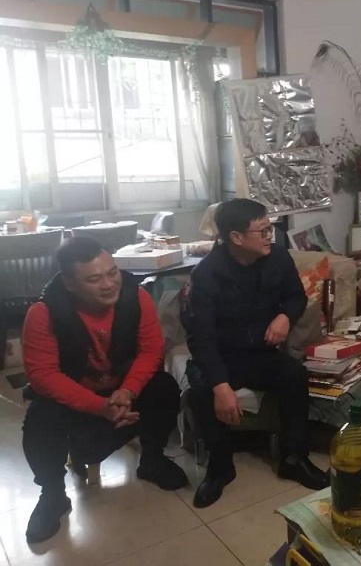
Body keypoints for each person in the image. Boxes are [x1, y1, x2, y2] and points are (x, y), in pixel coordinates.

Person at [21, 237, 187, 543]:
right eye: (94, 279)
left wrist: (128, 391)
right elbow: (44, 376)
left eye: (112, 273)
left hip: (122, 390)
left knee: (163, 387)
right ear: (70, 283)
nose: (109, 284)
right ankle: (53, 494)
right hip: (77, 398)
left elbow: (151, 351)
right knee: (40, 418)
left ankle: (152, 459)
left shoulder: (136, 297)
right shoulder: (44, 313)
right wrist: (99, 407)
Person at [181, 198, 328, 509]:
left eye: (269, 228)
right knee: (202, 392)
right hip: (219, 356)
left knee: (294, 375)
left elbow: (296, 297)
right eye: (262, 231)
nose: (269, 236)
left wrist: (285, 316)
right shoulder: (207, 275)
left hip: (259, 352)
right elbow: (201, 338)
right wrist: (221, 387)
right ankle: (220, 468)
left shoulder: (277, 257)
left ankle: (293, 458)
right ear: (236, 237)